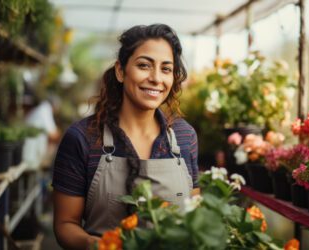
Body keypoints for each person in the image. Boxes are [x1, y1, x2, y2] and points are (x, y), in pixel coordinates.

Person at [52, 24, 199, 249]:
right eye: (144, 65)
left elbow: (194, 214)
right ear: (121, 71)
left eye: (166, 69)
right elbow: (65, 223)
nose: (156, 78)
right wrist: (102, 245)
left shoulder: (184, 137)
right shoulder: (83, 137)